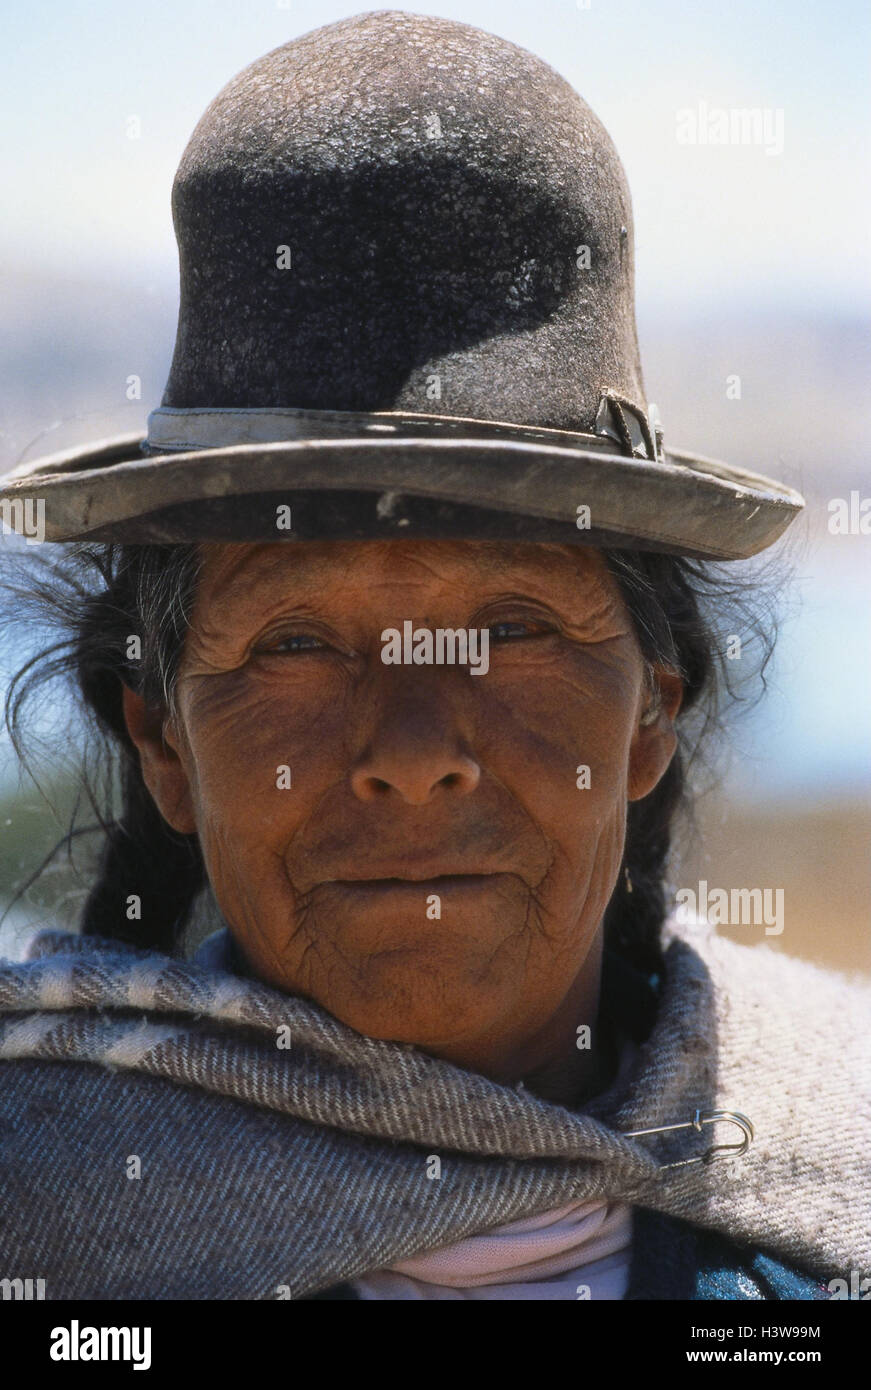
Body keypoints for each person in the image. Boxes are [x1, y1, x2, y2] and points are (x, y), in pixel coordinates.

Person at [0, 11, 867, 1302]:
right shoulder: (42, 1213)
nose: (414, 757)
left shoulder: (838, 1156)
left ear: (651, 715)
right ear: (161, 739)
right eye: (294, 643)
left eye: (511, 631)